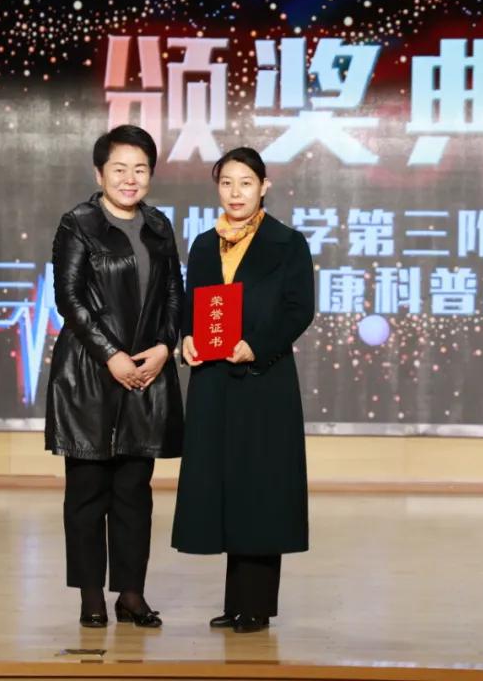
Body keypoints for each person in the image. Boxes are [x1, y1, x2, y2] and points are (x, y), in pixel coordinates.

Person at [45, 124, 183, 628]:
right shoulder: (78, 223)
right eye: (120, 169)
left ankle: (130, 594)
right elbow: (69, 299)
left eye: (140, 169)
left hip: (146, 375)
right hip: (90, 376)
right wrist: (111, 355)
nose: (130, 179)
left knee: (134, 495)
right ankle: (90, 598)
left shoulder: (159, 226)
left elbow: (174, 294)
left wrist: (165, 347)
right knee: (86, 494)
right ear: (99, 173)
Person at [172, 147, 315, 633]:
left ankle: (256, 606)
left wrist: (257, 346)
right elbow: (191, 305)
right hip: (214, 381)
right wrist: (187, 338)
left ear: (264, 187)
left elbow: (299, 310)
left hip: (263, 380)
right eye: (227, 183)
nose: (236, 193)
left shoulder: (287, 243)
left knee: (261, 488)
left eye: (246, 183)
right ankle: (235, 602)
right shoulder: (203, 244)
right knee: (226, 486)